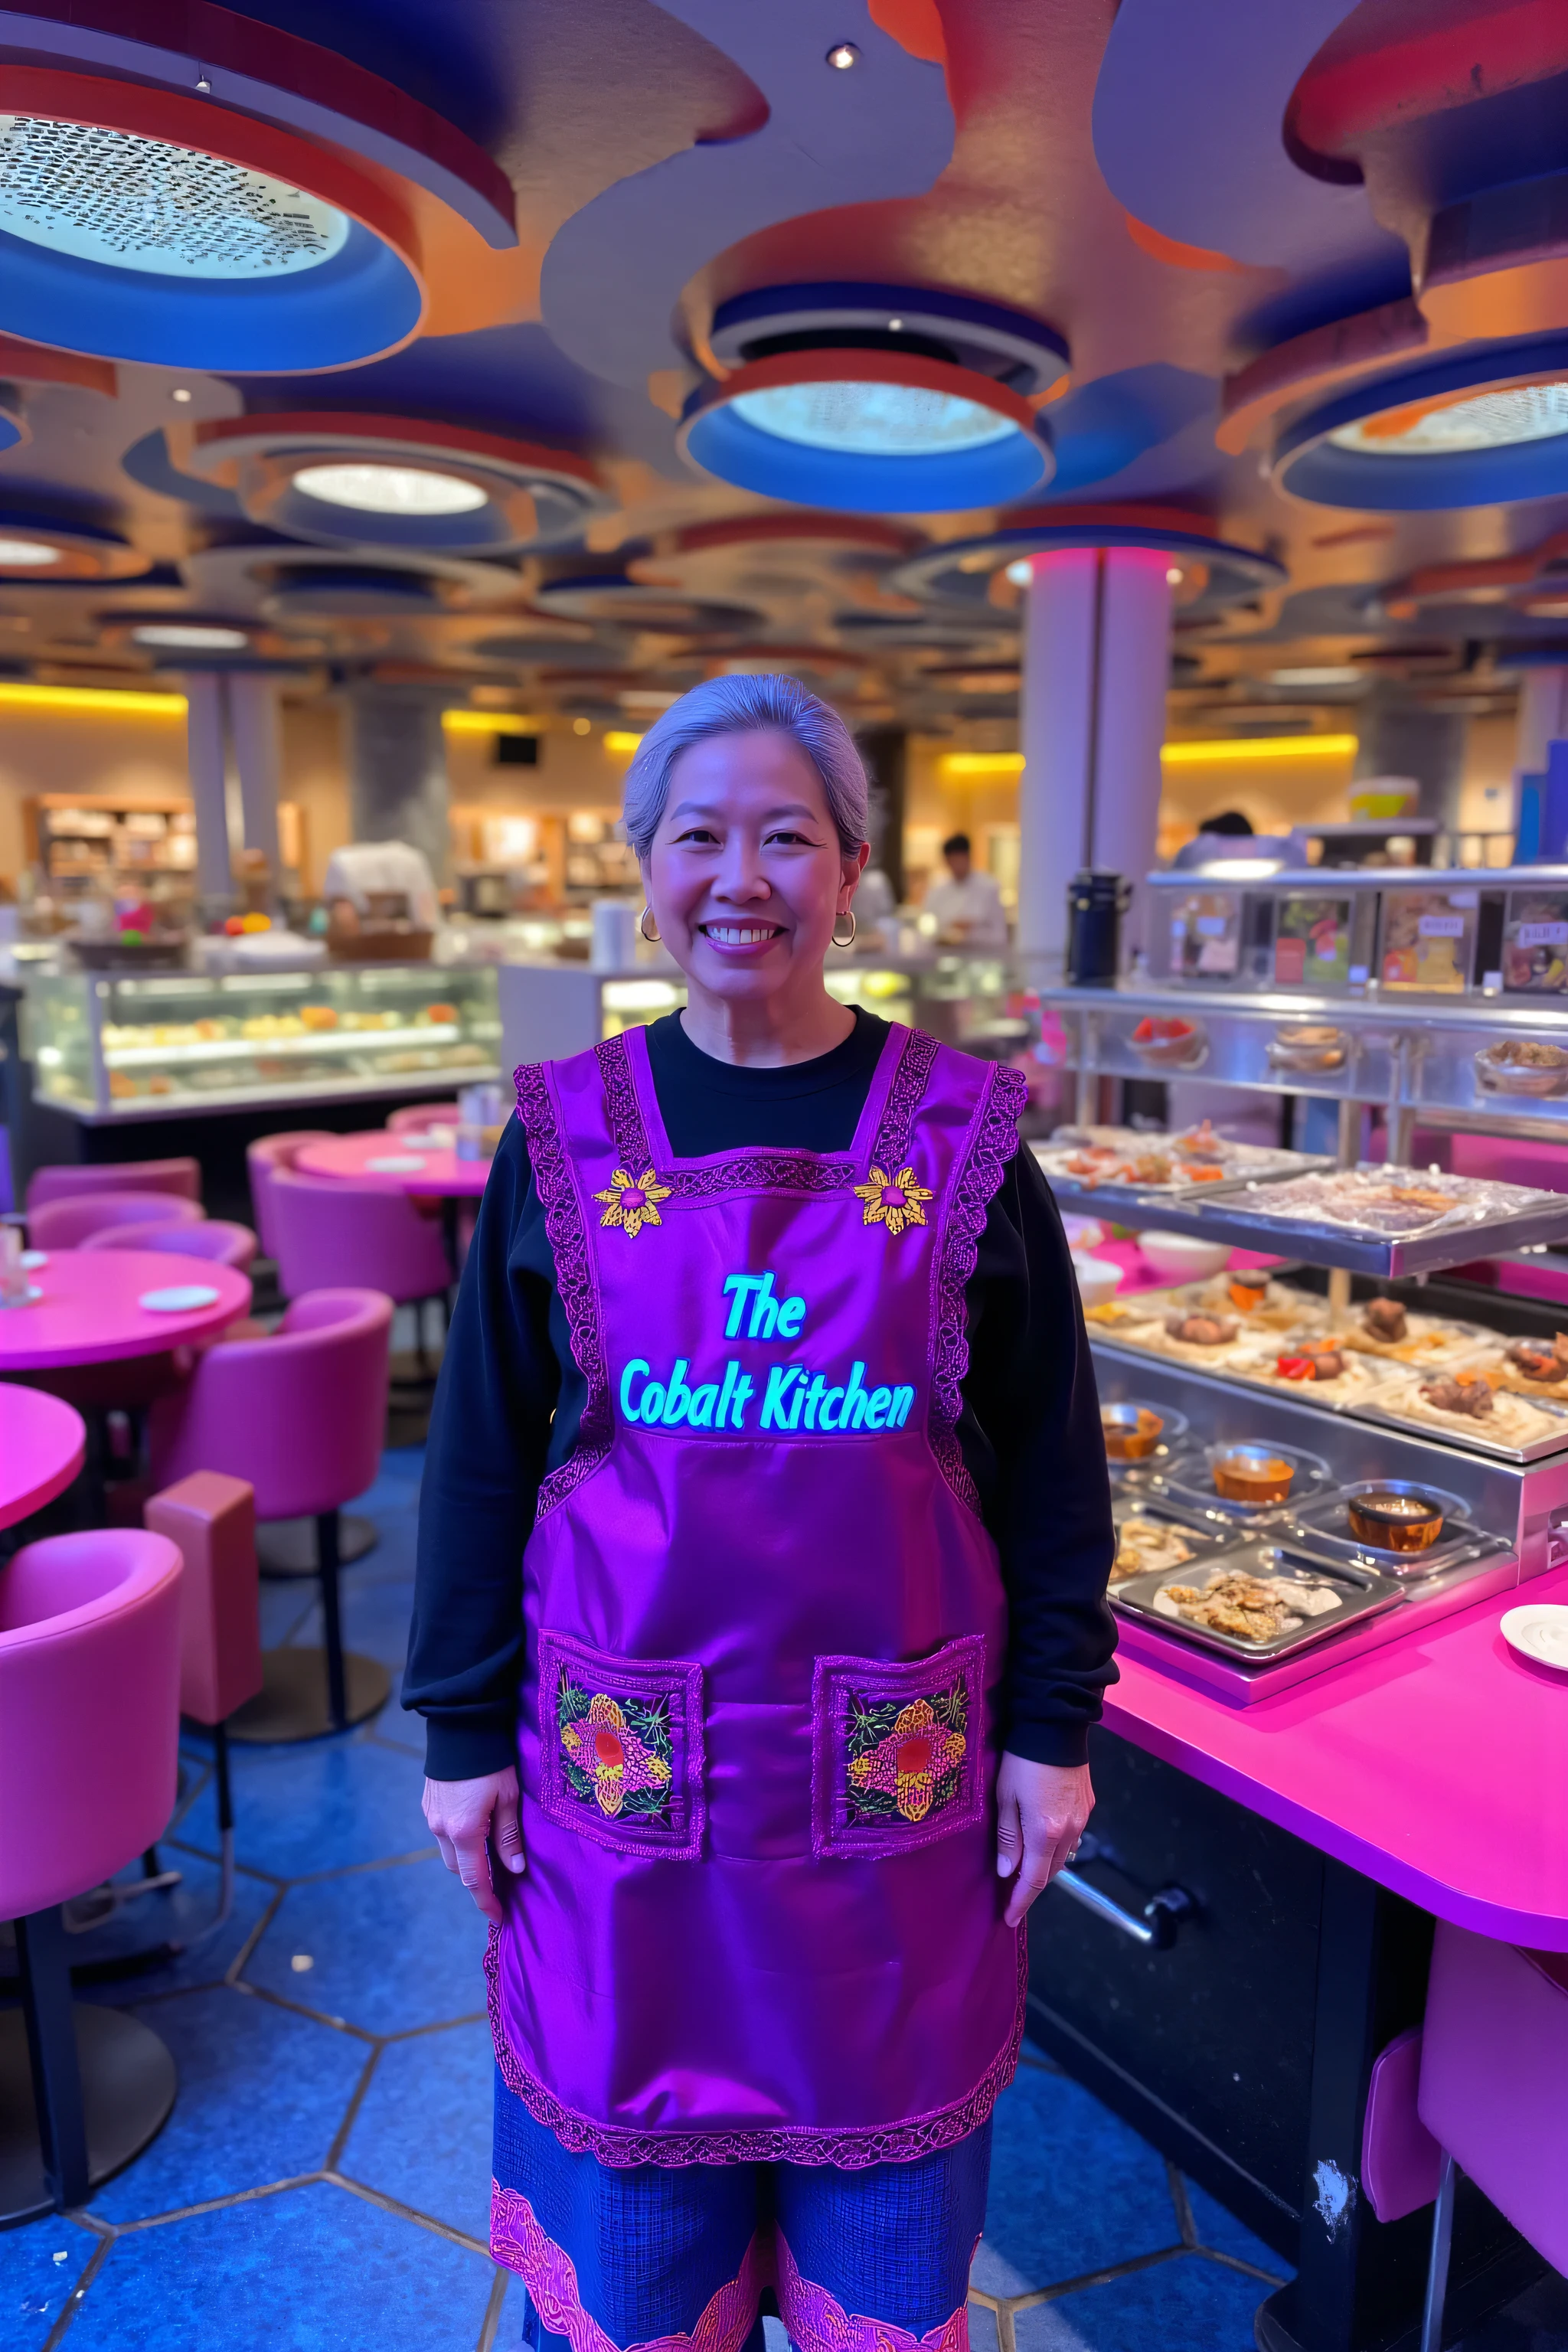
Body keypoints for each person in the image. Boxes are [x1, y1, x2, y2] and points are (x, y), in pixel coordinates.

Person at [407, 675, 1116, 2350]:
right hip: (617, 1800)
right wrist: (457, 1733)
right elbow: (483, 1459)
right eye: (698, 835)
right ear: (643, 866)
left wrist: (1052, 1728)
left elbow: (1054, 1469)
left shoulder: (962, 1140)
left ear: (852, 869)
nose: (742, 876)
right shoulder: (563, 1138)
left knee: (886, 2227)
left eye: (785, 834)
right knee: (639, 2252)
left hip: (898, 1802)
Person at [923, 831, 1008, 948]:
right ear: (946, 861)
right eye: (952, 861)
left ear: (968, 857)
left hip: (981, 957)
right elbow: (927, 931)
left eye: (960, 860)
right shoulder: (937, 889)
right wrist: (949, 931)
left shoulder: (988, 887)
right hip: (945, 957)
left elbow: (1000, 935)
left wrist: (971, 931)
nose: (957, 866)